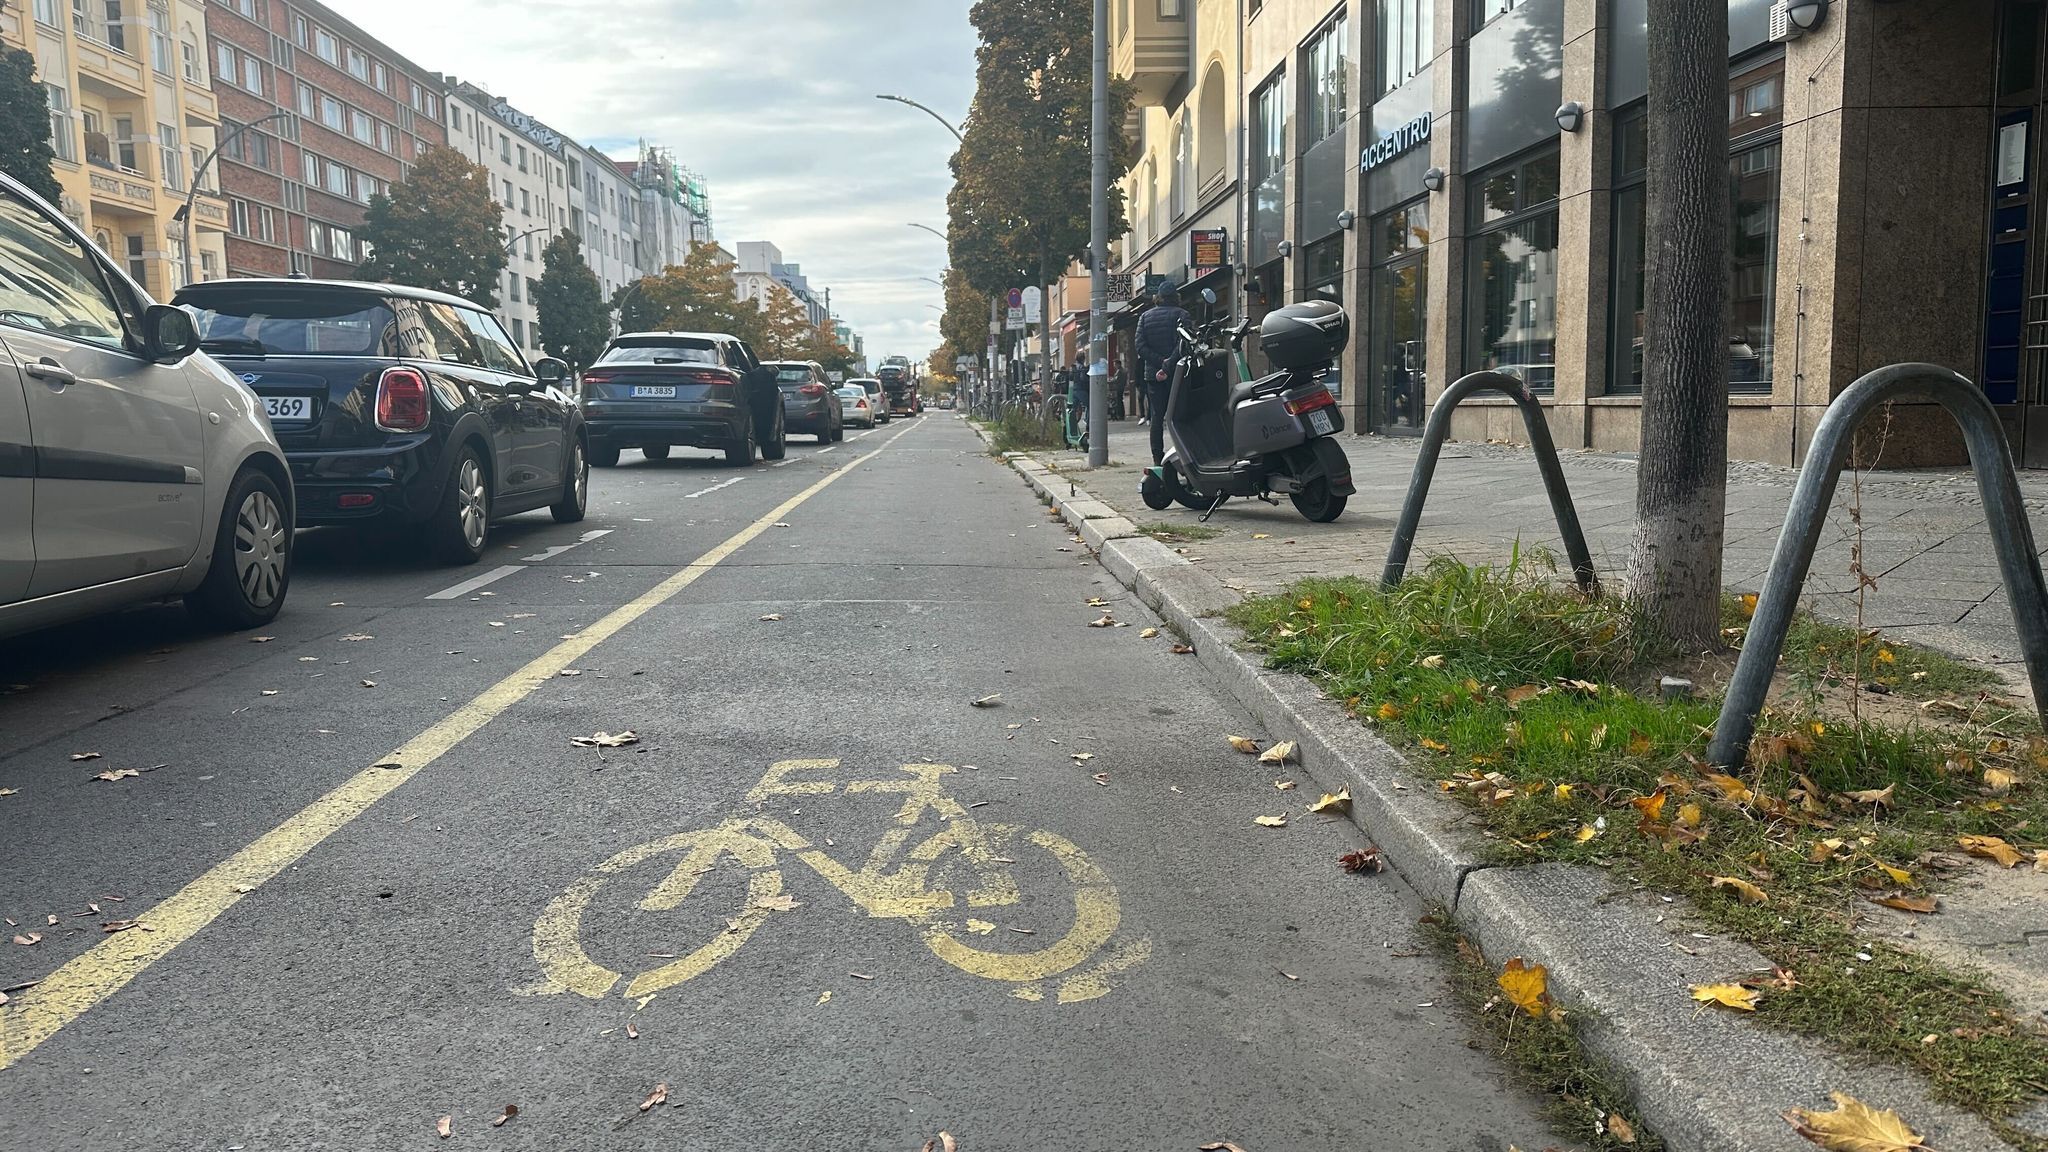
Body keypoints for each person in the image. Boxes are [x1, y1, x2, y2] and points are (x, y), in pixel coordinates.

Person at [1134, 287, 1191, 465]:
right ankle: (1185, 455)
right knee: (1181, 415)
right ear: (1176, 297)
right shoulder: (1182, 314)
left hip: (1154, 375)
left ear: (1157, 298)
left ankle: (1157, 458)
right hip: (1178, 372)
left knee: (1157, 416)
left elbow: (1140, 346)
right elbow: (1186, 341)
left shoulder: (1145, 317)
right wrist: (1169, 364)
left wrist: (1160, 363)